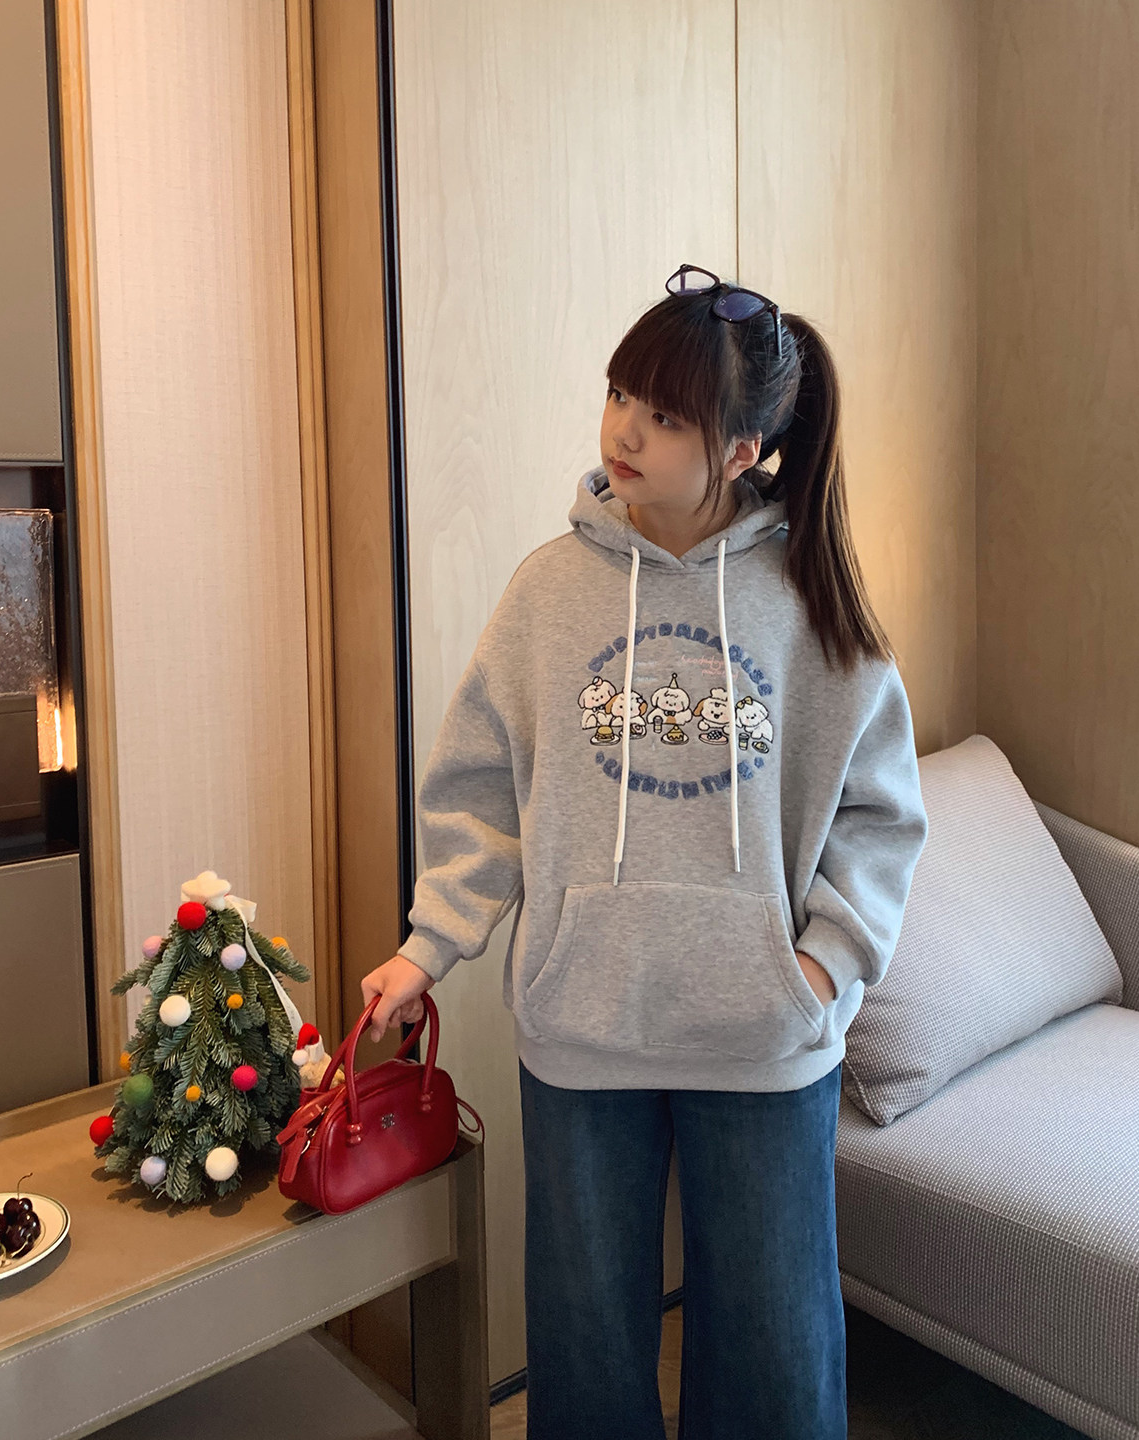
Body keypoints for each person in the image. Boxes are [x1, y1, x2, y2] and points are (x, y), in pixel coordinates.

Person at [360, 264, 929, 1439]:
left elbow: (881, 814)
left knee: (772, 1359)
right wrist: (428, 948)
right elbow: (481, 791)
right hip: (585, 1031)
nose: (624, 430)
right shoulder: (548, 592)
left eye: (666, 415)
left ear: (744, 450)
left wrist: (819, 966)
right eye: (622, 394)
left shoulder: (810, 602)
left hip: (765, 1040)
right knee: (586, 1352)